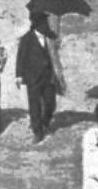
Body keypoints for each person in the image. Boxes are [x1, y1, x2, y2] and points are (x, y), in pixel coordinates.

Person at [14, 10, 63, 143]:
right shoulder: (26, 39)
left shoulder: (50, 37)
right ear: (36, 24)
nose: (46, 24)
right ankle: (38, 132)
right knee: (34, 105)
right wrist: (18, 75)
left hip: (48, 77)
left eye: (46, 22)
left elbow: (55, 54)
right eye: (43, 22)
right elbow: (21, 57)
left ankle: (45, 122)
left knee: (50, 103)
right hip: (33, 78)